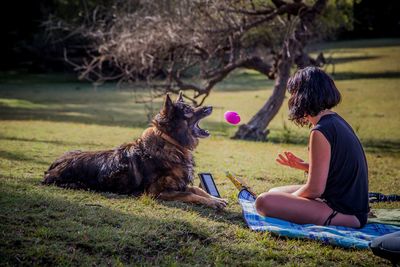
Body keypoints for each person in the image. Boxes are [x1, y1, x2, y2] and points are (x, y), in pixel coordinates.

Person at [255, 66, 369, 228]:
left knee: (264, 201)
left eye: (294, 94)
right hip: (347, 204)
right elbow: (338, 169)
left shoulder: (320, 131)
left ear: (302, 97)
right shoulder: (335, 121)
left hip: (345, 213)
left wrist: (293, 199)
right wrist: (303, 166)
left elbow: (315, 189)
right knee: (274, 193)